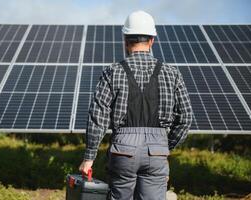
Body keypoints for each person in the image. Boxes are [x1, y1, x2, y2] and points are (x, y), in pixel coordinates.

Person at [79, 10, 193, 200]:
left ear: (125, 40)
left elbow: (97, 117)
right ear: (152, 41)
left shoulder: (112, 72)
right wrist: (164, 147)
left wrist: (89, 157)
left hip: (123, 151)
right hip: (157, 151)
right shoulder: (172, 73)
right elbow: (186, 118)